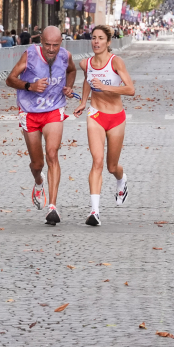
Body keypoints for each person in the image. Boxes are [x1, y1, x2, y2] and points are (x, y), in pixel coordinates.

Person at [6, 25, 77, 225]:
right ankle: (38, 181)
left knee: (52, 154)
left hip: (54, 109)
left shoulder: (66, 56)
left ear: (61, 43)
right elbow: (10, 79)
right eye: (47, 45)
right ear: (41, 42)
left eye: (55, 45)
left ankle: (52, 207)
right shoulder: (29, 55)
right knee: (38, 164)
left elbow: (71, 71)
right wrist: (30, 86)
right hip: (29, 111)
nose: (52, 49)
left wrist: (69, 87)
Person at [73, 25, 135, 226]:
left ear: (108, 42)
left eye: (100, 38)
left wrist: (105, 86)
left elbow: (130, 89)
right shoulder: (86, 63)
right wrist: (83, 101)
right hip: (96, 115)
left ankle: (121, 179)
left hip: (116, 117)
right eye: (93, 38)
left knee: (111, 166)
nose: (96, 42)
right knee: (97, 161)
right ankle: (94, 212)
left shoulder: (116, 62)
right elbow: (87, 81)